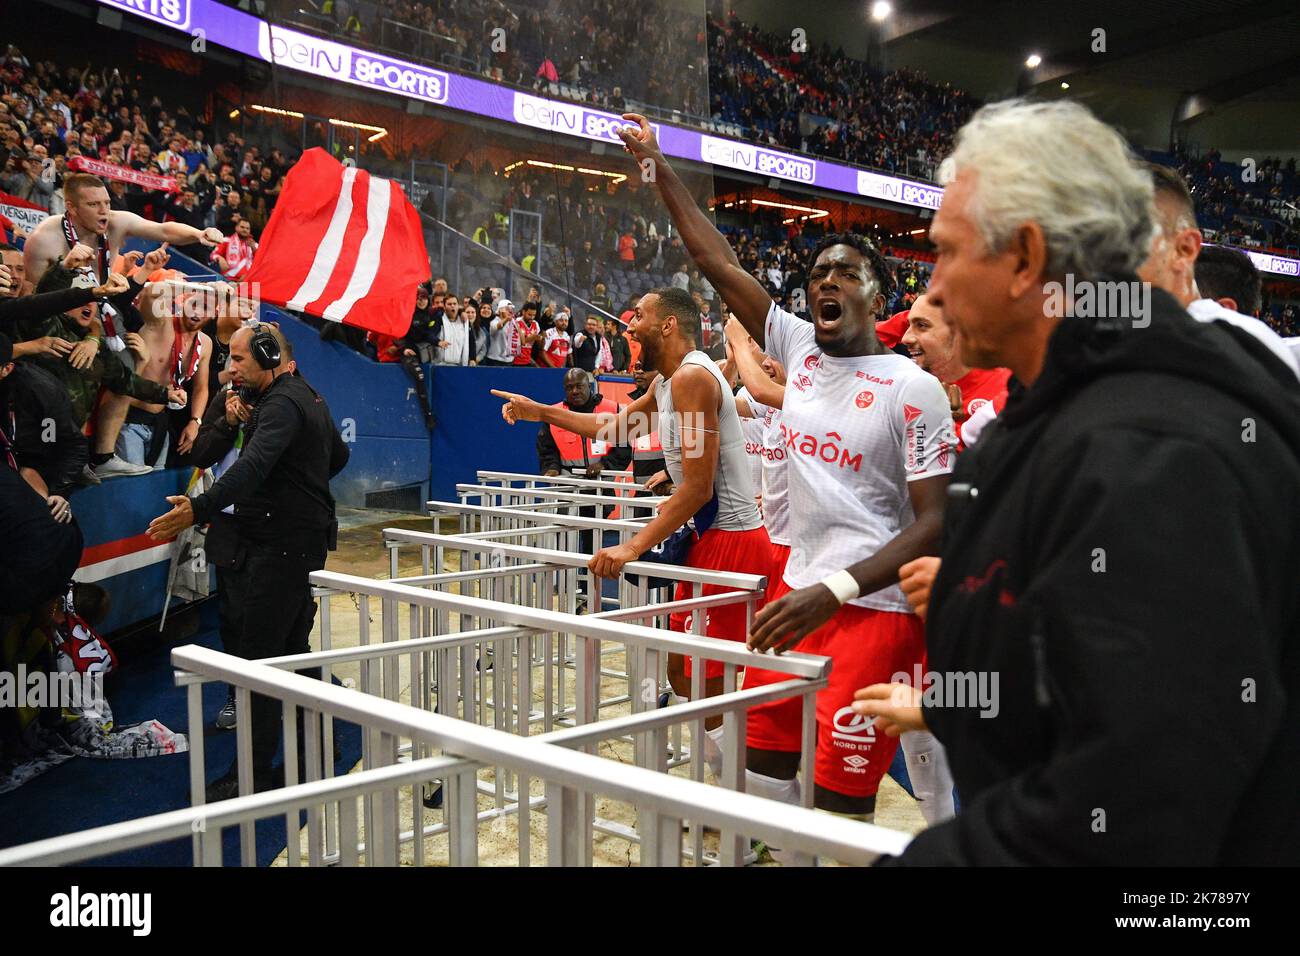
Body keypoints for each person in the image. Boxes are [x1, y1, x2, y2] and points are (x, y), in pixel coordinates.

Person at [855, 99, 1300, 865]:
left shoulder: (1151, 452)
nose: (933, 284)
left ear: (1026, 259)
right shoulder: (1064, 403)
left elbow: (1133, 802)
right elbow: (1049, 675)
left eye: (947, 251)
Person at [617, 113, 953, 820]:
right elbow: (716, 263)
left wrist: (832, 589)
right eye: (818, 271)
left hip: (872, 614)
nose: (826, 280)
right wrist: (656, 161)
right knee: (760, 783)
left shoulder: (912, 389)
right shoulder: (798, 345)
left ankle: (939, 817)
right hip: (794, 600)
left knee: (837, 816)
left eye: (847, 272)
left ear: (878, 296)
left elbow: (938, 523)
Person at [493, 285, 773, 781]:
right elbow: (609, 431)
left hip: (731, 545)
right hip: (710, 544)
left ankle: (748, 802)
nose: (628, 325)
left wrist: (631, 545)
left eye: (638, 317)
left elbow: (698, 489)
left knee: (707, 683)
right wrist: (542, 411)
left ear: (668, 324)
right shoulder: (669, 383)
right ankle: (736, 789)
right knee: (683, 674)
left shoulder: (690, 379)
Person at [148, 324, 350, 800]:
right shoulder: (303, 395)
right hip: (294, 541)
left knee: (258, 665)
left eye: (238, 359)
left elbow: (253, 467)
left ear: (266, 356)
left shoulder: (280, 403)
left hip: (280, 546)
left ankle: (253, 775)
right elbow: (336, 455)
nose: (229, 369)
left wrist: (198, 508)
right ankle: (316, 754)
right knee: (291, 653)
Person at [901, 292, 1010, 450]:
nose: (905, 338)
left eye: (922, 326)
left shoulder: (1008, 389)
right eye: (908, 325)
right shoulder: (901, 386)